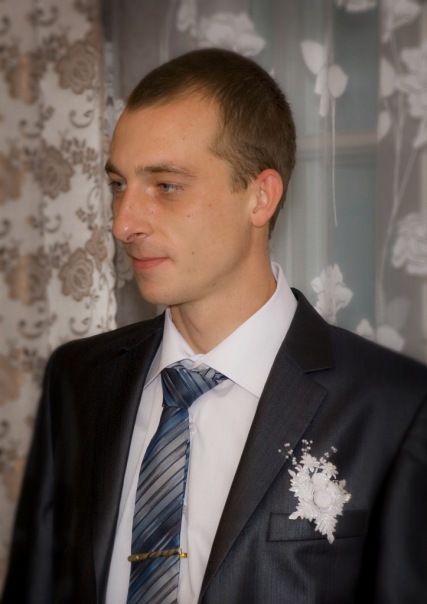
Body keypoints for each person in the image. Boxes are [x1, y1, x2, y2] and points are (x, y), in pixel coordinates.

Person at [2, 48, 427, 604]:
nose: (124, 223)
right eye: (119, 185)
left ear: (260, 196)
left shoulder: (394, 405)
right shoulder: (79, 380)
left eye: (166, 185)